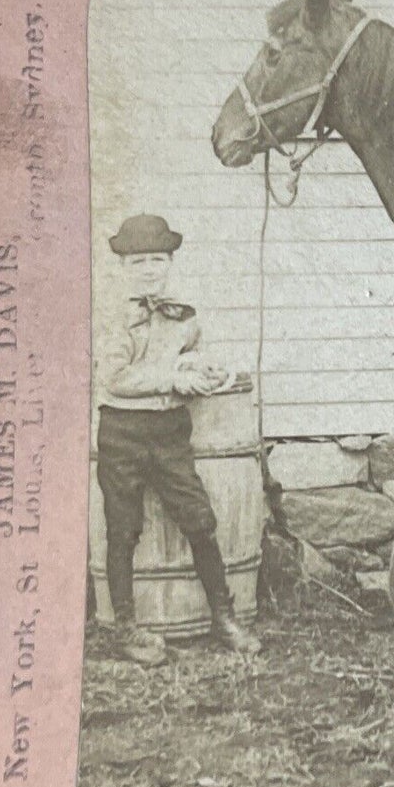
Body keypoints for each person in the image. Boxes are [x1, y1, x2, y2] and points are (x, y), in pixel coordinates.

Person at [94, 214, 261, 664]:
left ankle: (224, 619)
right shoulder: (113, 316)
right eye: (139, 262)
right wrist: (173, 377)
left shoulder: (183, 314)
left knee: (199, 520)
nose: (150, 270)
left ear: (170, 264)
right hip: (123, 430)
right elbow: (116, 379)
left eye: (158, 260)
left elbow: (190, 356)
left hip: (170, 433)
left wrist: (208, 369)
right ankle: (126, 628)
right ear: (123, 267)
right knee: (123, 529)